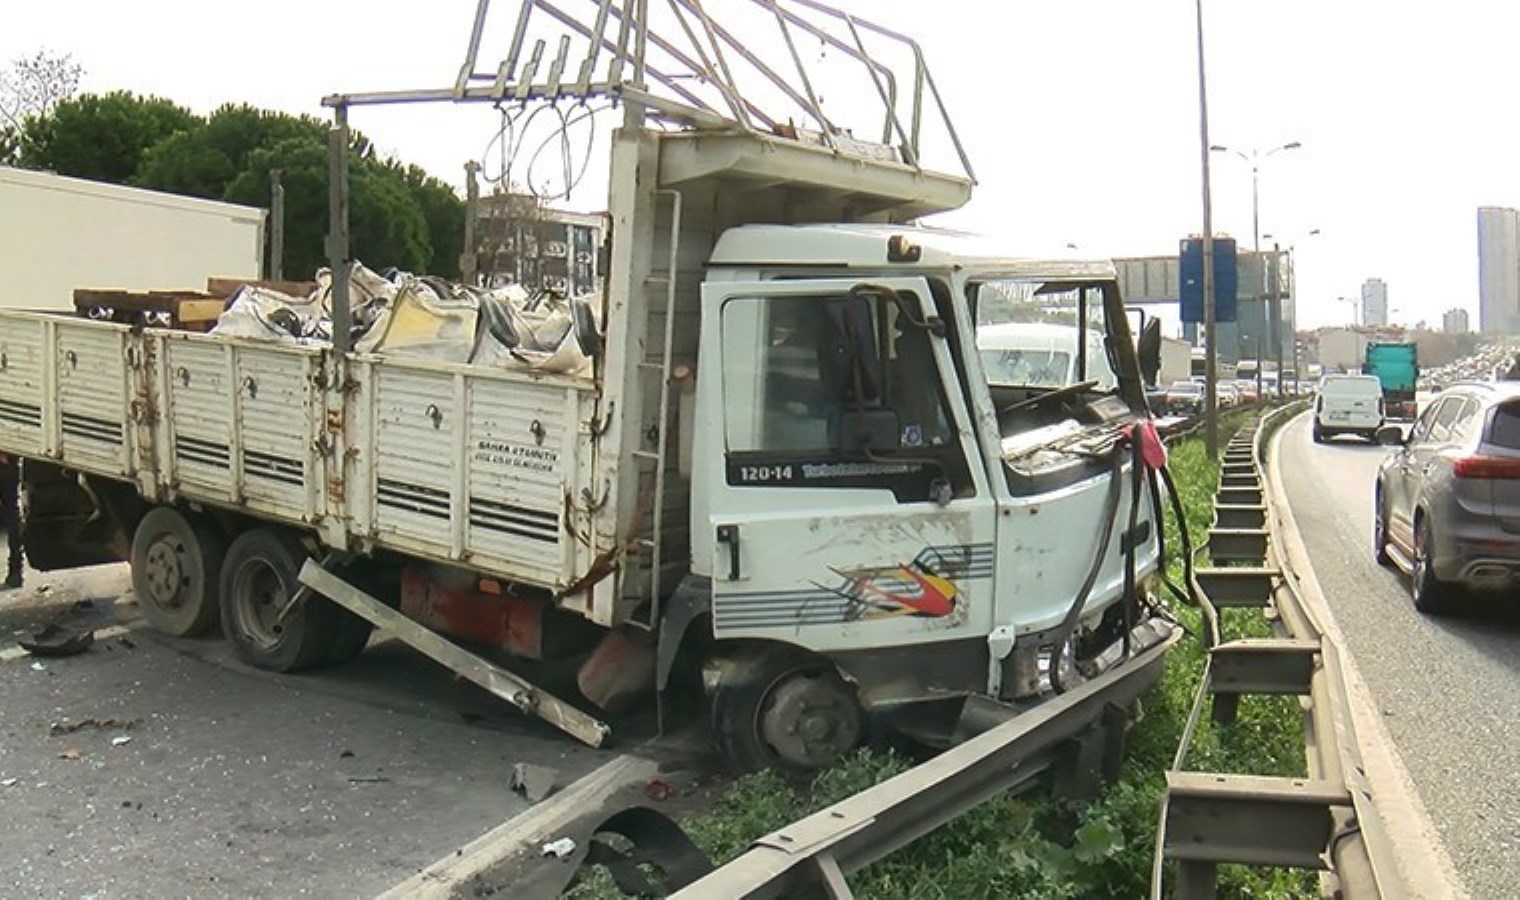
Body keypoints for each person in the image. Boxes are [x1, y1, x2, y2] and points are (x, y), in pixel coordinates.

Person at [0, 453, 22, 589]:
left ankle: (15, 572)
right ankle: (15, 572)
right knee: (12, 515)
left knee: (12, 516)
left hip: (7, 463)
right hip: (8, 462)